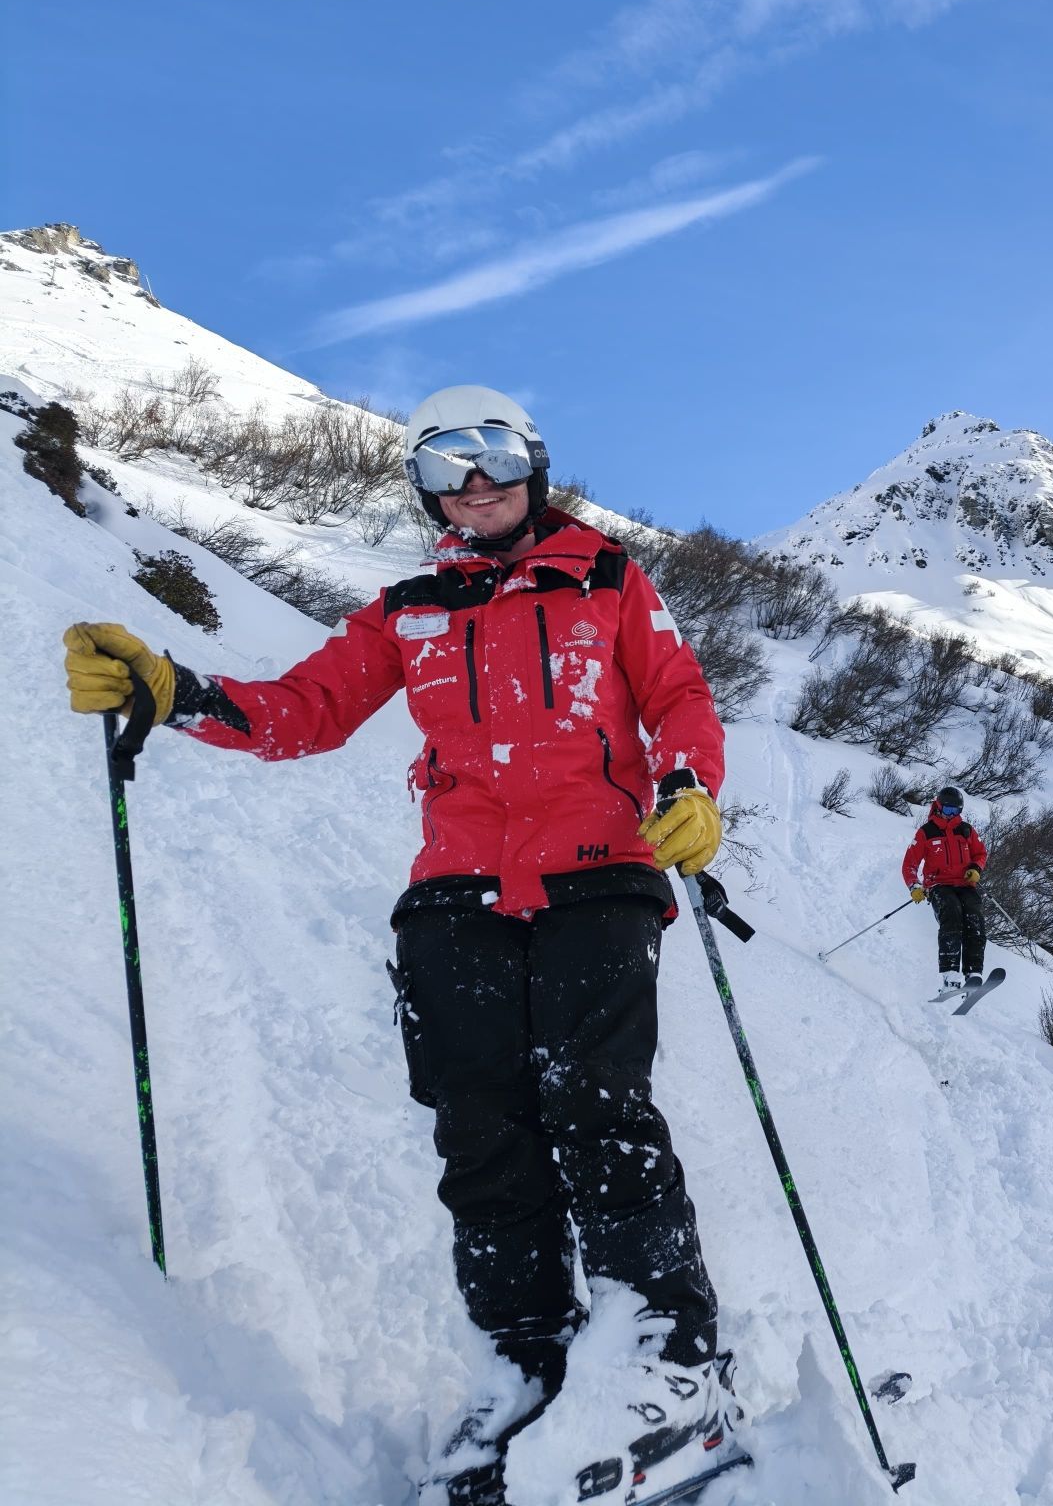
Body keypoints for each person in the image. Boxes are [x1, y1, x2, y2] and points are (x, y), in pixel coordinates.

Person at [62, 386, 741, 1506]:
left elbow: (677, 697)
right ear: (424, 487)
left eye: (495, 456)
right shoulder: (407, 610)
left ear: (534, 463)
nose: (475, 483)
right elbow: (304, 713)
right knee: (481, 1133)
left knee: (597, 1107)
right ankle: (523, 1360)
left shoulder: (607, 579)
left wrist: (689, 784)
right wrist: (174, 693)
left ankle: (666, 1358)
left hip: (597, 877)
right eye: (445, 465)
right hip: (456, 896)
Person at [901, 785, 989, 989]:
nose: (952, 815)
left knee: (975, 918)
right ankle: (950, 972)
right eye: (948, 810)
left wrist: (976, 868)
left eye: (956, 811)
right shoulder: (926, 832)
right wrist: (915, 886)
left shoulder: (966, 830)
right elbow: (909, 864)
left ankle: (973, 972)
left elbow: (980, 853)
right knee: (952, 914)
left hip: (965, 884)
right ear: (939, 807)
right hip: (939, 885)